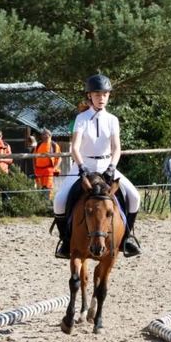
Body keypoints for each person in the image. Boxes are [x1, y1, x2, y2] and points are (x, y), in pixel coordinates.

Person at [53, 74, 142, 259]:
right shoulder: (81, 119)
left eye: (105, 94)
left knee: (134, 196)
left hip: (106, 164)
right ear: (89, 96)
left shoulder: (112, 120)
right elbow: (74, 148)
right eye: (97, 95)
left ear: (109, 96)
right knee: (59, 201)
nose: (101, 98)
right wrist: (82, 166)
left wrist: (112, 166)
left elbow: (117, 148)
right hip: (83, 165)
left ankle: (126, 239)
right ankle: (66, 241)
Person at [33, 129, 61, 200]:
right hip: (38, 169)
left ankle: (48, 203)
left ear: (49, 135)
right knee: (39, 187)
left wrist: (54, 169)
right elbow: (34, 156)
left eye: (45, 134)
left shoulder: (54, 145)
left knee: (47, 187)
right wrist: (34, 167)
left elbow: (59, 158)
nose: (43, 136)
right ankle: (40, 202)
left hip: (48, 169)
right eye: (42, 134)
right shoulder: (38, 145)